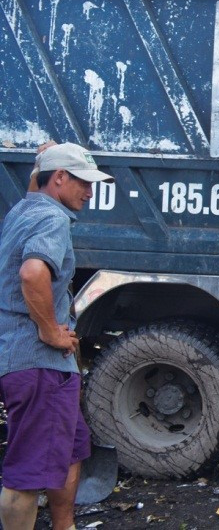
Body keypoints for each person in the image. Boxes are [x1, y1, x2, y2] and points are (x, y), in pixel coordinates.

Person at [0, 143, 114, 530]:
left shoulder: (26, 209)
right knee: (26, 474)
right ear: (60, 178)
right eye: (83, 182)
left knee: (70, 449)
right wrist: (50, 331)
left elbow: (39, 181)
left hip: (36, 363)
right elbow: (33, 273)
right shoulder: (52, 219)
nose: (90, 192)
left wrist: (41, 161)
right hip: (38, 364)